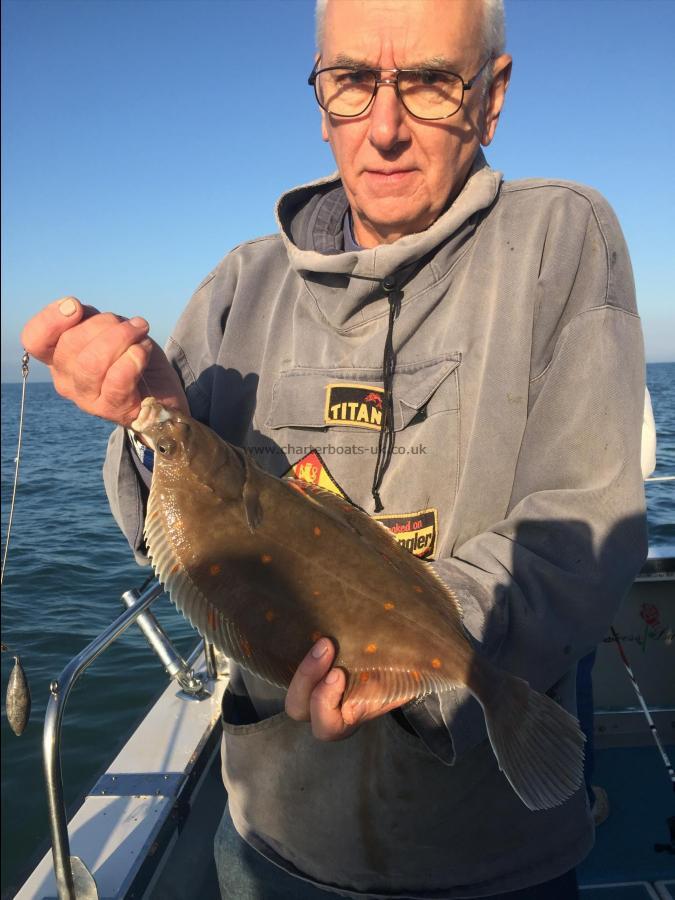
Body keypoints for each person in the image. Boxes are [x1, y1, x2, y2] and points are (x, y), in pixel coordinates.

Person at [21, 0, 648, 897]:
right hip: (274, 843)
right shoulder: (239, 286)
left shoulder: (561, 240)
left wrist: (422, 665)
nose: (385, 128)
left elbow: (581, 525)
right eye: (353, 82)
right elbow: (174, 539)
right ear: (320, 101)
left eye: (430, 82)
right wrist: (149, 418)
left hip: (489, 858)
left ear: (491, 96)